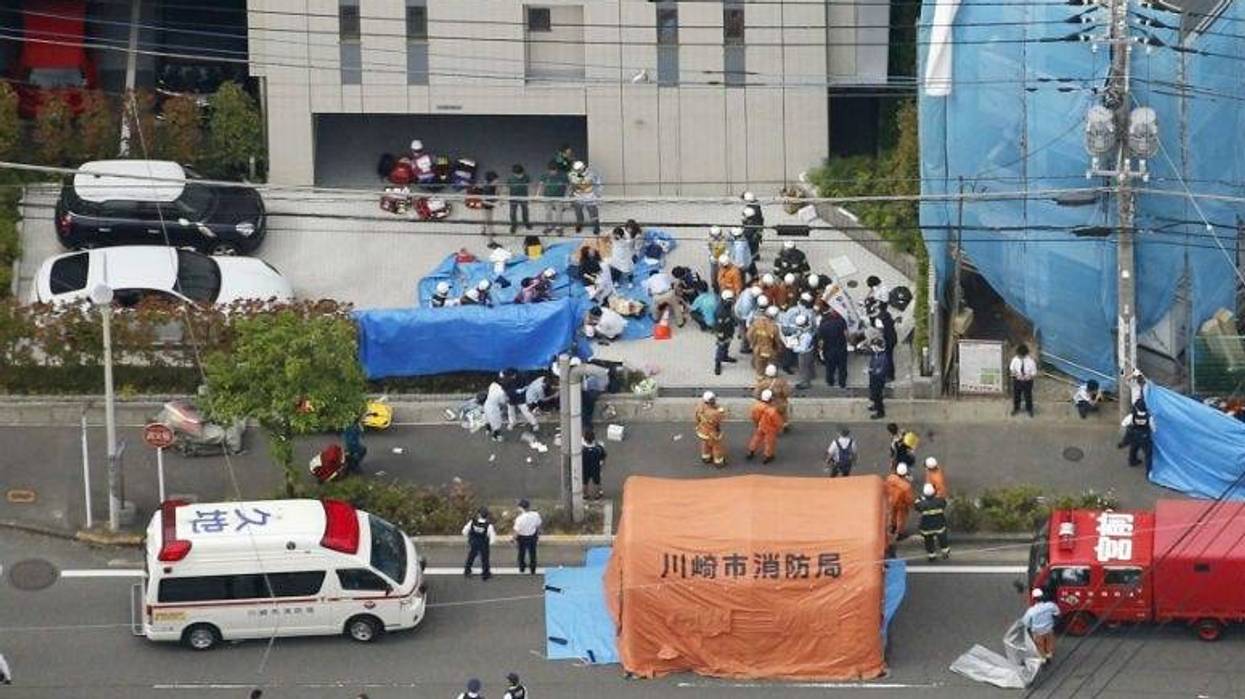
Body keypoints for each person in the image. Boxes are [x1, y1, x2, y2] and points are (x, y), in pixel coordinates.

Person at [746, 389, 784, 464]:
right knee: (769, 442)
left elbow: (753, 416)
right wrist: (780, 428)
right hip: (770, 428)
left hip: (761, 425)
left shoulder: (757, 406)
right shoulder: (772, 411)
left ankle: (751, 451)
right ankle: (768, 456)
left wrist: (756, 423)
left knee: (756, 438)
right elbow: (778, 422)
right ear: (770, 399)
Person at [915, 482, 950, 561]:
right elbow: (944, 503)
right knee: (942, 539)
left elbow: (916, 505)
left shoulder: (921, 504)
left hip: (926, 527)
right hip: (939, 525)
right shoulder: (940, 501)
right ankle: (945, 552)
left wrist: (920, 498)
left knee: (928, 541)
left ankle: (932, 555)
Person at [1024, 589, 1062, 662]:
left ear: (1034, 599)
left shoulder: (1031, 610)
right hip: (1049, 630)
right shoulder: (1051, 605)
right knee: (1049, 644)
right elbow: (1057, 613)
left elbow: (1026, 623)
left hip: (1037, 632)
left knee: (1040, 646)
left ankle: (1043, 659)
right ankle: (1049, 655)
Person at [1119, 399, 1154, 472]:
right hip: (1145, 437)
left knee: (1133, 449)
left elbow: (1124, 423)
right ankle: (1149, 470)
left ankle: (1132, 461)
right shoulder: (1149, 417)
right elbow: (1153, 428)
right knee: (1148, 453)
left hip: (1134, 435)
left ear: (1136, 407)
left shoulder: (1132, 416)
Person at [818, 307, 849, 389]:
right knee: (842, 367)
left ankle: (830, 381)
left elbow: (821, 340)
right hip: (841, 348)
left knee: (830, 367)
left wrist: (820, 350)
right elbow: (846, 335)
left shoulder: (823, 322)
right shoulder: (842, 321)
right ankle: (842, 383)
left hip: (828, 348)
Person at [695, 391, 727, 467]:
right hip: (712, 433)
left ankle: (706, 457)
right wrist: (721, 410)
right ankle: (718, 461)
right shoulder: (715, 413)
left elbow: (696, 417)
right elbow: (721, 418)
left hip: (702, 430)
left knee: (705, 444)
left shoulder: (700, 407)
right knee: (716, 447)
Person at [754, 363, 792, 430]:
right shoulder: (781, 382)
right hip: (779, 404)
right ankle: (784, 423)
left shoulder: (762, 383)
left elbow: (756, 394)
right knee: (785, 410)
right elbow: (787, 393)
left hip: (766, 405)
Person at [746, 304, 781, 375]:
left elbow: (749, 335)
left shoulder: (756, 322)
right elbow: (777, 341)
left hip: (757, 348)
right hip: (769, 350)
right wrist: (777, 349)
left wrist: (753, 343)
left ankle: (759, 376)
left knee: (759, 363)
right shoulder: (774, 327)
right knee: (770, 364)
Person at [568, 161, 602, 234]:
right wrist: (571, 194)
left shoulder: (592, 174)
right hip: (578, 196)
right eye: (576, 170)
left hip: (590, 196)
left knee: (593, 212)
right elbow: (571, 185)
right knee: (578, 212)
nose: (577, 171)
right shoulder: (572, 174)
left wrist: (598, 194)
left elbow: (598, 183)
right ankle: (579, 224)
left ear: (583, 168)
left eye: (579, 170)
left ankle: (596, 226)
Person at [462, 508, 496, 580]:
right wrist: (490, 543)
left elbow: (464, 531)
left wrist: (469, 537)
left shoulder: (472, 522)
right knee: (485, 559)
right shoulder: (489, 525)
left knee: (471, 556)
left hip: (474, 542)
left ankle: (467, 571)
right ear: (487, 516)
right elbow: (492, 537)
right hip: (483, 543)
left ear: (479, 515)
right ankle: (485, 573)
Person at [537, 160, 570, 234]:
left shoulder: (563, 176)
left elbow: (568, 186)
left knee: (559, 213)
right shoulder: (544, 175)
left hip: (559, 197)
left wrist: (567, 195)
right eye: (551, 171)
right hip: (547, 197)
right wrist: (538, 194)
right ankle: (549, 226)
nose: (553, 172)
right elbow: (541, 185)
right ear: (548, 170)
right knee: (548, 212)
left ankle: (559, 227)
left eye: (554, 170)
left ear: (557, 169)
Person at [884, 462, 915, 541]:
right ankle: (900, 533)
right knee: (901, 519)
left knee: (892, 515)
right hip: (901, 504)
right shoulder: (906, 486)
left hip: (891, 501)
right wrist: (912, 505)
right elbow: (909, 499)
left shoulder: (890, 478)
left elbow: (885, 487)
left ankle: (892, 527)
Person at [513, 499, 542, 574]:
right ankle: (533, 568)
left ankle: (522, 568)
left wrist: (514, 539)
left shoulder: (519, 519)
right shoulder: (536, 515)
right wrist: (538, 534)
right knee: (532, 553)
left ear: (521, 508)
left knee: (521, 553)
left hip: (522, 537)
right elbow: (538, 525)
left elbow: (517, 530)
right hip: (532, 536)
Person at [714, 289, 738, 375]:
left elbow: (730, 316)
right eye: (730, 300)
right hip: (722, 332)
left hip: (729, 329)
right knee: (721, 346)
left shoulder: (727, 305)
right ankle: (718, 363)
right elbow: (719, 326)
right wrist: (721, 337)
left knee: (727, 344)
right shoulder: (720, 312)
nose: (731, 301)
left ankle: (725, 356)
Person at [788, 313, 816, 389]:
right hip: (810, 350)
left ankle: (806, 383)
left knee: (804, 368)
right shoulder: (807, 329)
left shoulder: (805, 336)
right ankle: (812, 375)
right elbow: (800, 333)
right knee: (810, 365)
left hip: (804, 353)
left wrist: (793, 347)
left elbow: (802, 348)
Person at [1009, 344, 1037, 416]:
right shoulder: (1015, 360)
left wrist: (1029, 377)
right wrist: (1015, 374)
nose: (1019, 356)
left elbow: (1034, 372)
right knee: (1016, 395)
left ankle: (1029, 409)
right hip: (1017, 380)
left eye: (1020, 355)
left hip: (1027, 381)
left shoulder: (1031, 361)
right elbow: (1012, 369)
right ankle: (1016, 408)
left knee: (1028, 395)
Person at [482, 376, 510, 442]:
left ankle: (488, 430)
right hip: (493, 408)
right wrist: (507, 398)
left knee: (487, 418)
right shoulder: (501, 392)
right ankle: (495, 436)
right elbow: (503, 402)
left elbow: (488, 390)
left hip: (486, 403)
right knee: (497, 422)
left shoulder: (493, 384)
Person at [582, 428, 607, 499]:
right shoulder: (598, 448)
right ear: (593, 438)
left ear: (585, 439)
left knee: (584, 482)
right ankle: (597, 494)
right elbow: (603, 457)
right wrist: (602, 464)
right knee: (597, 481)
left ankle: (585, 494)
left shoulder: (582, 449)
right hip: (595, 467)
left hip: (585, 467)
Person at [733, 285, 758, 355]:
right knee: (745, 330)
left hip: (737, 309)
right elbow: (746, 317)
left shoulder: (748, 290)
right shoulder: (747, 303)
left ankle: (740, 334)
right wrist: (749, 324)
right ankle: (744, 347)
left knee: (742, 328)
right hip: (741, 315)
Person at [507, 164, 532, 233]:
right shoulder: (510, 178)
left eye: (521, 174)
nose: (519, 176)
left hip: (524, 196)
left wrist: (530, 197)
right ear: (514, 174)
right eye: (517, 175)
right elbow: (508, 188)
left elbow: (529, 186)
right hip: (513, 197)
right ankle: (513, 225)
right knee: (512, 212)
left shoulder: (527, 177)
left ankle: (526, 222)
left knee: (525, 210)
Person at [876, 306, 898, 382]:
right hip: (893, 339)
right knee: (890, 357)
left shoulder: (879, 319)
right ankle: (890, 375)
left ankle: (888, 375)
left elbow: (880, 331)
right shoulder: (889, 316)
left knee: (887, 358)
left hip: (887, 340)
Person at [867, 339, 888, 419]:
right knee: (874, 393)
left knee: (877, 396)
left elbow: (880, 371)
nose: (872, 348)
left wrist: (872, 370)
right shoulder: (876, 354)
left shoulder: (883, 357)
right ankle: (875, 405)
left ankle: (880, 412)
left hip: (878, 380)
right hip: (873, 378)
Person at [479, 171, 500, 240]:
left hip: (488, 206)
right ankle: (490, 240)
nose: (497, 181)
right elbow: (483, 200)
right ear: (491, 181)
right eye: (496, 180)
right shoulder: (487, 189)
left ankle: (482, 230)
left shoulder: (492, 186)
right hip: (486, 207)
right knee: (489, 223)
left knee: (484, 219)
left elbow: (495, 194)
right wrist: (494, 204)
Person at [707, 225, 728, 290]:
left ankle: (719, 284)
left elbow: (726, 247)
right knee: (715, 273)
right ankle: (715, 285)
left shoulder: (723, 239)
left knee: (721, 272)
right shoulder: (711, 240)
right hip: (715, 259)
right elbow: (709, 248)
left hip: (721, 258)